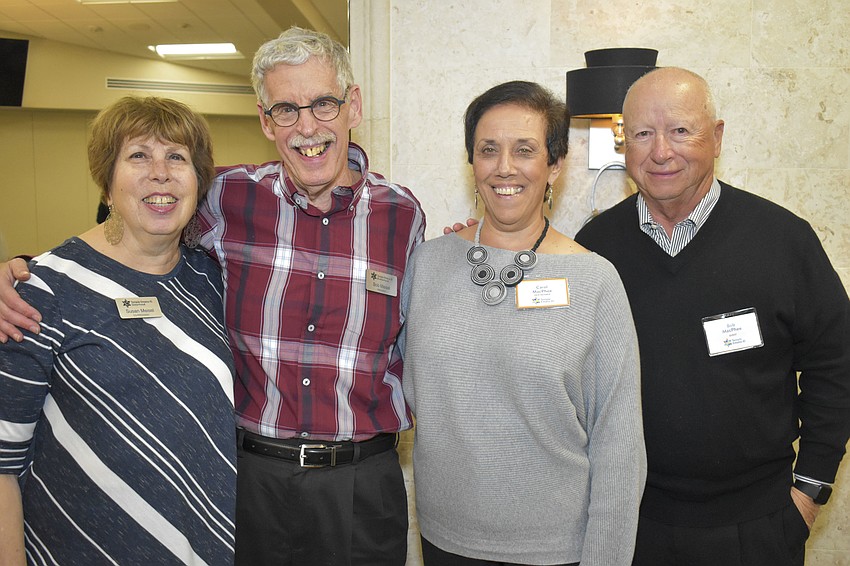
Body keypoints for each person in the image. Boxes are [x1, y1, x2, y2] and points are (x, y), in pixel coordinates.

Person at [0, 26, 425, 566]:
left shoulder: (403, 215)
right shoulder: (226, 197)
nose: (308, 126)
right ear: (265, 121)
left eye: (323, 103)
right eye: (286, 110)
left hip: (363, 484)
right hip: (251, 481)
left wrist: (479, 245)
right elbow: (134, 231)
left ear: (353, 106)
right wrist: (25, 270)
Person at [574, 67, 850, 566]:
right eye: (642, 133)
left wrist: (809, 492)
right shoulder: (594, 250)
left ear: (717, 137)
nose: (661, 151)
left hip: (758, 526)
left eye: (681, 130)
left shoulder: (784, 241)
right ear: (623, 144)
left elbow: (838, 364)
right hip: (631, 526)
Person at [400, 80, 646, 566]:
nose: (504, 167)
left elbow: (619, 445)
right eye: (488, 149)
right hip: (443, 538)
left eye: (525, 150)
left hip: (556, 550)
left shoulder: (595, 281)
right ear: (472, 162)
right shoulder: (426, 265)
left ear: (554, 165)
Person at [0, 96, 236, 564]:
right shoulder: (43, 289)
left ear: (198, 181)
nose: (161, 173)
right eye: (138, 155)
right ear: (106, 183)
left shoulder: (211, 280)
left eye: (177, 157)